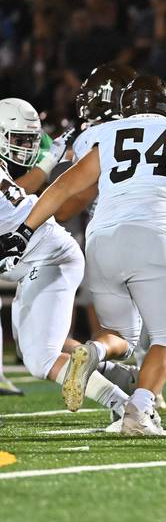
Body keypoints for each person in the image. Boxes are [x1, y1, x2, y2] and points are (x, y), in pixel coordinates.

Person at [0, 76, 166, 435]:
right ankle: (138, 409)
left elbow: (64, 187)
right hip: (153, 236)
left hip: (101, 240)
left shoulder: (104, 136)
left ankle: (95, 352)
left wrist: (24, 230)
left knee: (121, 334)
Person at [0, 97, 129, 416]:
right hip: (43, 254)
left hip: (48, 257)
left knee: (40, 357)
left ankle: (127, 406)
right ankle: (116, 377)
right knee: (40, 343)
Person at [0, 97, 69, 396]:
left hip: (41, 246)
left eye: (30, 140)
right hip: (36, 241)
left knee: (37, 346)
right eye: (19, 139)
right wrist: (50, 160)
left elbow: (21, 196)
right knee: (38, 345)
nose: (25, 147)